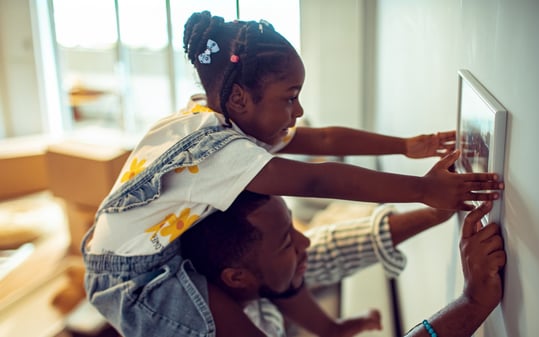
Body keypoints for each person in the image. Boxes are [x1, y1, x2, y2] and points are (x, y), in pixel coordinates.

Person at [81, 10, 504, 337]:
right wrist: (425, 189)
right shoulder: (219, 153)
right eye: (290, 97)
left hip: (143, 249)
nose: (297, 111)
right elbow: (318, 179)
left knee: (280, 263)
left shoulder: (220, 118)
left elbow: (321, 142)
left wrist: (405, 145)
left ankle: (330, 330)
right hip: (133, 280)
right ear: (242, 98)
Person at [180, 191, 505, 337]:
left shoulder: (241, 276)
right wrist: (472, 303)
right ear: (236, 277)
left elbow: (327, 249)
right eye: (285, 241)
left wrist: (436, 213)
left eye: (294, 227)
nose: (304, 240)